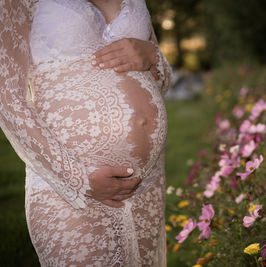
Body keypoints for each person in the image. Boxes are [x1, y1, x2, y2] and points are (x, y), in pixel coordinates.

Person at [0, 0, 172, 266]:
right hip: (69, 188)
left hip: (145, 183)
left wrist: (152, 56)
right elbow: (7, 99)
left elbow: (162, 81)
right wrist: (78, 180)